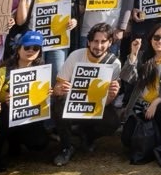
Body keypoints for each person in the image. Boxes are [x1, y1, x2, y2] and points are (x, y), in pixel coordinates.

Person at [52, 22, 122, 165]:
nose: (99, 46)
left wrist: (112, 95)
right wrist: (58, 91)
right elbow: (58, 87)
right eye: (95, 41)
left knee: (113, 122)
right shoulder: (75, 56)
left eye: (103, 42)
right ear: (88, 42)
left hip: (95, 107)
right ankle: (66, 147)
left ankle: (87, 135)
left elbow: (106, 103)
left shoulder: (115, 63)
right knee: (59, 103)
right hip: (73, 104)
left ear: (110, 43)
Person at [0, 31, 52, 171]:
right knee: (4, 113)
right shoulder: (4, 69)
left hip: (28, 117)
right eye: (27, 47)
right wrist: (3, 98)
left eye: (36, 48)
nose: (31, 51)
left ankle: (15, 142)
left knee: (40, 143)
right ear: (18, 49)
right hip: (3, 117)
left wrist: (47, 93)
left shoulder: (41, 70)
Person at [120, 20, 161, 164]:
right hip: (140, 104)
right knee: (126, 141)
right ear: (150, 38)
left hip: (159, 104)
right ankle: (148, 139)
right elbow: (126, 77)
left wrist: (157, 101)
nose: (160, 41)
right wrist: (133, 54)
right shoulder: (142, 56)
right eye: (156, 37)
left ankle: (158, 136)